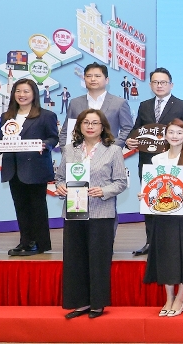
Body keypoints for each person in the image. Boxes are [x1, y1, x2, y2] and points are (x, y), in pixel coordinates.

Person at [55, 109, 128, 319]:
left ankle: (97, 303)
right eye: (85, 122)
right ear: (79, 126)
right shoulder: (70, 149)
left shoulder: (113, 150)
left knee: (98, 259)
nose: (90, 126)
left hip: (101, 212)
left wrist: (103, 191)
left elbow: (121, 182)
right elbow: (60, 177)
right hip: (74, 211)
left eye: (95, 123)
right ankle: (81, 302)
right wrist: (60, 187)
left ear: (103, 127)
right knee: (75, 259)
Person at [141, 119, 183, 317]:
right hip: (162, 214)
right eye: (171, 132)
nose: (174, 136)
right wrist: (145, 195)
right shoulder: (157, 159)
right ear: (165, 135)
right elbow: (153, 185)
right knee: (166, 256)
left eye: (179, 133)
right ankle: (169, 297)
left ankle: (180, 297)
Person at [129, 68, 183, 257]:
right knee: (150, 201)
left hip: (174, 163)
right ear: (150, 85)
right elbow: (137, 130)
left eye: (163, 82)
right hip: (148, 163)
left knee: (172, 200)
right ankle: (151, 242)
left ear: (171, 85)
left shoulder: (182, 106)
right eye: (155, 82)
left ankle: (173, 243)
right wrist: (130, 140)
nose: (159, 85)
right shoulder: (144, 105)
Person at [0, 78, 59, 256]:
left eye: (26, 91)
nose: (22, 95)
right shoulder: (7, 117)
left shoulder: (46, 115)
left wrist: (44, 145)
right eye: (18, 91)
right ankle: (25, 241)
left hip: (35, 168)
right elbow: (1, 139)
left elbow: (53, 138)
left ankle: (38, 243)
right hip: (13, 168)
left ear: (34, 94)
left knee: (37, 207)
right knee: (21, 207)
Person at [59, 62, 133, 149]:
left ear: (107, 80)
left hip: (109, 153)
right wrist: (66, 151)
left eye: (97, 76)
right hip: (79, 154)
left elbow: (127, 129)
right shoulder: (75, 103)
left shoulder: (119, 103)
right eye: (89, 76)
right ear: (84, 79)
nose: (93, 79)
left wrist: (112, 148)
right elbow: (66, 131)